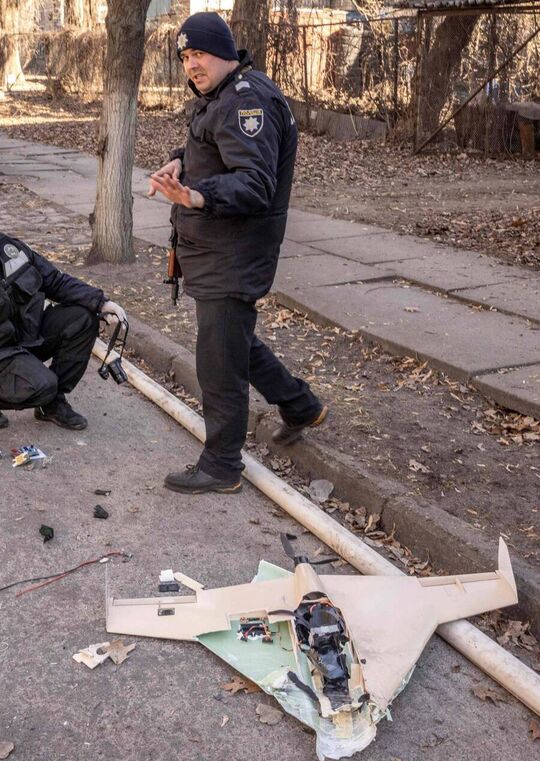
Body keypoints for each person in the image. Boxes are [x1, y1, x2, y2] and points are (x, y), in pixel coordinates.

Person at [148, 12, 327, 496]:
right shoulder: (223, 95)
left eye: (200, 54)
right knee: (233, 343)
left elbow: (254, 183)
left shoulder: (248, 101)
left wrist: (196, 195)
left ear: (225, 52)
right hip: (215, 250)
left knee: (219, 363)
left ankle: (222, 465)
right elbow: (214, 147)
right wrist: (179, 161)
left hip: (232, 253)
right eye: (185, 56)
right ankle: (301, 405)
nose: (192, 64)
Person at [0, 216, 126, 455]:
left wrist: (100, 302)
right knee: (43, 384)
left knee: (83, 318)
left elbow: (54, 281)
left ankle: (51, 404)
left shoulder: (13, 252)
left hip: (25, 337)